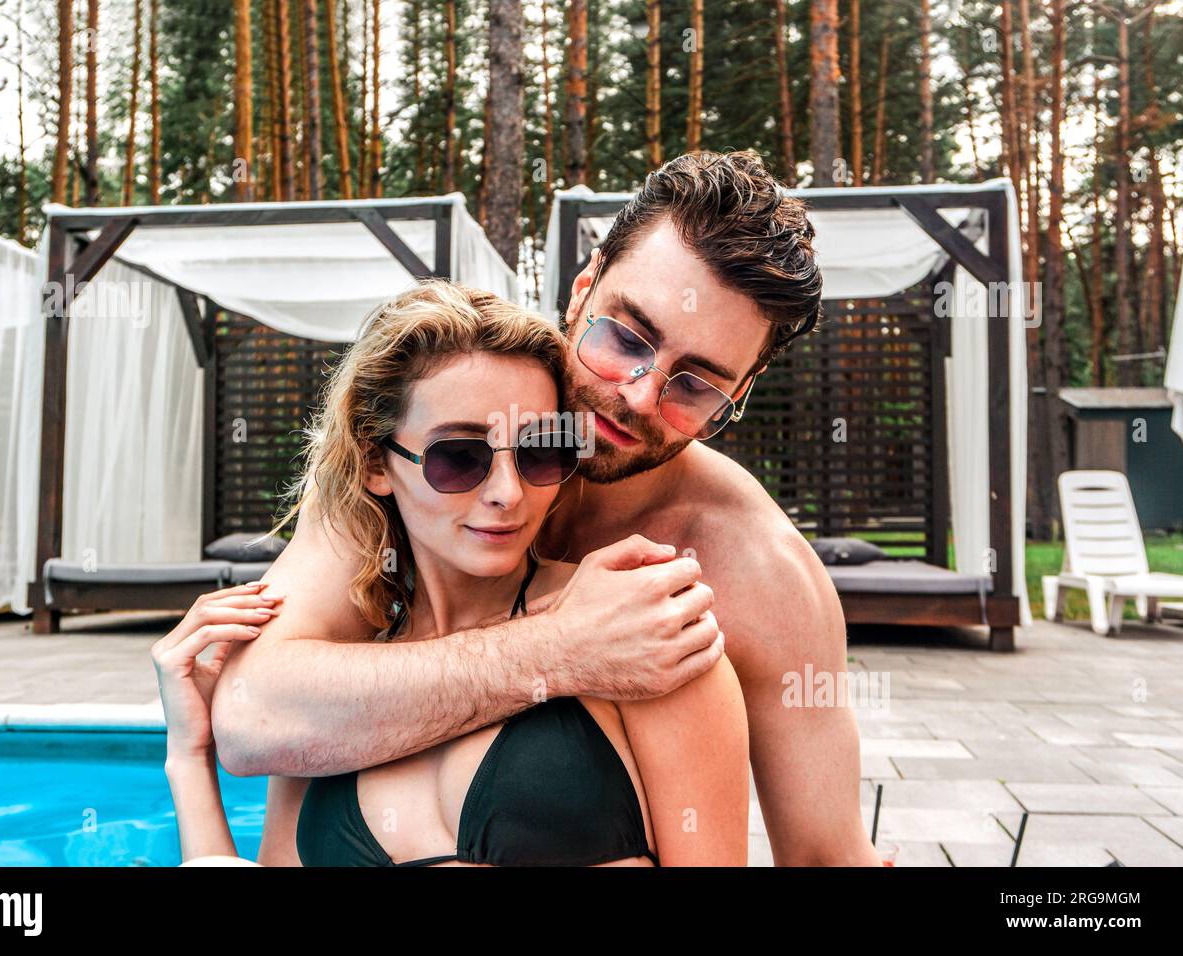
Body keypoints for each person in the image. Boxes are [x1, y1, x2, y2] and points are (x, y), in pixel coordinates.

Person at [210, 150, 880, 866]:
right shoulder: (428, 444)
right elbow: (253, 717)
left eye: (696, 386)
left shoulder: (755, 570)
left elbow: (824, 856)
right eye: (626, 338)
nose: (639, 395)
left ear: (738, 397)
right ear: (582, 289)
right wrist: (564, 650)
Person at [154, 281, 750, 866]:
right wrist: (189, 757)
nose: (507, 493)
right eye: (459, 457)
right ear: (375, 463)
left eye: (541, 451)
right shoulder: (336, 680)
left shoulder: (643, 637)